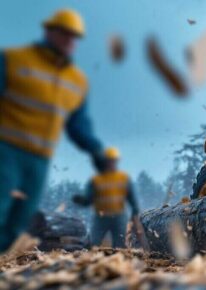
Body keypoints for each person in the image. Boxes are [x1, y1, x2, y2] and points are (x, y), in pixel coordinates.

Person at [0, 9, 107, 251]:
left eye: (74, 36)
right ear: (49, 31)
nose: (70, 41)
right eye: (64, 34)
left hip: (39, 159)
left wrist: (96, 151)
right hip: (6, 150)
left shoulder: (77, 81)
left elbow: (78, 124)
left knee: (19, 221)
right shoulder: (13, 60)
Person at [72, 147, 140, 248]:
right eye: (108, 161)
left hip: (119, 216)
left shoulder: (124, 178)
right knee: (93, 243)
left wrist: (135, 211)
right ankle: (90, 261)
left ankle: (118, 262)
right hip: (100, 217)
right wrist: (81, 200)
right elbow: (88, 199)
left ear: (116, 161)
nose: (110, 163)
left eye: (113, 161)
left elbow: (132, 198)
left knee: (120, 244)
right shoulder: (96, 179)